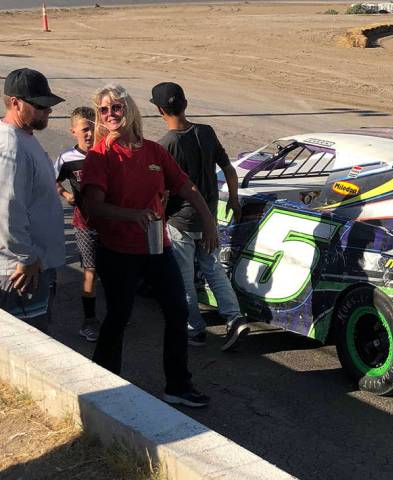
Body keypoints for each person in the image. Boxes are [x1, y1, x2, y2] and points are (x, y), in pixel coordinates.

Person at [82, 84, 214, 408]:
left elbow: (187, 186)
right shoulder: (100, 156)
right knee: (118, 316)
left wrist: (210, 223)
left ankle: (178, 386)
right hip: (117, 251)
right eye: (104, 110)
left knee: (177, 309)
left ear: (129, 109)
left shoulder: (154, 151)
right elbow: (92, 206)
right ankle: (105, 388)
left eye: (116, 107)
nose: (111, 114)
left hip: (157, 248)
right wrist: (133, 215)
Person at [150, 82, 249, 351]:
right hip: (209, 219)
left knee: (183, 278)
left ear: (160, 110)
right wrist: (235, 201)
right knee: (213, 270)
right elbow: (229, 169)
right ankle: (234, 318)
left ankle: (195, 330)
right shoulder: (205, 132)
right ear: (185, 103)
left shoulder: (165, 146)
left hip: (180, 222)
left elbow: (164, 193)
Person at [0, 68, 65, 332]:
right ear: (15, 102)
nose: (48, 111)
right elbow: (6, 211)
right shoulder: (11, 147)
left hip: (33, 264)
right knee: (26, 347)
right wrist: (26, 257)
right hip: (22, 272)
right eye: (40, 106)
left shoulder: (23, 138)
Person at [54, 106, 100, 341]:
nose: (89, 134)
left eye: (92, 129)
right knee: (90, 271)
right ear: (74, 131)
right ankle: (89, 321)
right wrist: (65, 194)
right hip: (84, 224)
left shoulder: (105, 153)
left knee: (115, 271)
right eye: (84, 130)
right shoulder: (67, 159)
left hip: (110, 224)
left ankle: (118, 314)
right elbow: (52, 181)